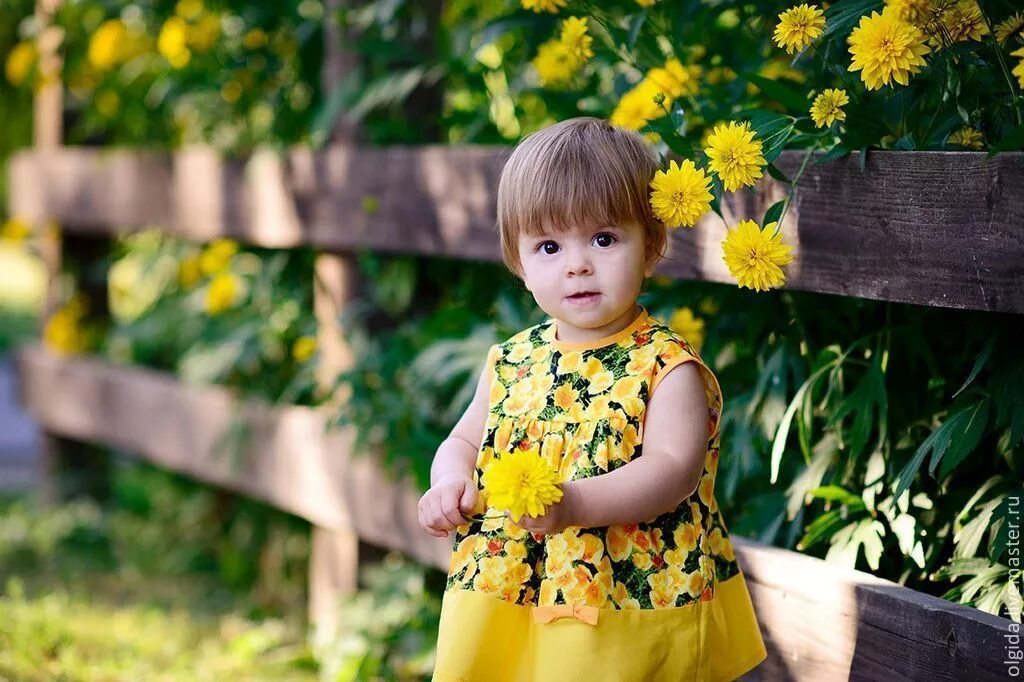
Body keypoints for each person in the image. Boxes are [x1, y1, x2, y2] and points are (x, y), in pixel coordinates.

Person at [418, 117, 767, 681]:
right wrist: (449, 482)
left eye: (603, 239)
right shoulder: (512, 360)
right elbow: (463, 439)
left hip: (625, 594)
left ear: (651, 244)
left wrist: (574, 505)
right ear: (519, 261)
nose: (577, 263)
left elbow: (673, 470)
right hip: (516, 586)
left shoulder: (665, 365)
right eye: (550, 246)